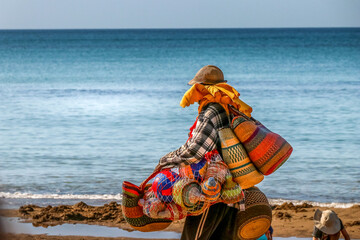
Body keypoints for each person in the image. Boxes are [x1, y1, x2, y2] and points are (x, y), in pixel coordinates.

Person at [157, 65, 253, 240]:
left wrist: (166, 160)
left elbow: (195, 151)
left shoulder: (211, 112)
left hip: (210, 193)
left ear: (202, 88)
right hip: (232, 192)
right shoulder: (230, 108)